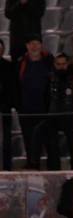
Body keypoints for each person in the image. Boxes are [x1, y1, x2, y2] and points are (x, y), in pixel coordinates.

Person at [16, 33, 52, 170]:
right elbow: (16, 85)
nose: (34, 46)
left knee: (47, 138)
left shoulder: (48, 61)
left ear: (41, 45)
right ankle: (32, 163)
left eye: (36, 43)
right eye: (31, 43)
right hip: (26, 107)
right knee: (28, 136)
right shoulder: (21, 63)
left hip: (44, 107)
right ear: (27, 46)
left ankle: (51, 165)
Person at [36, 53, 72, 171]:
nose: (61, 67)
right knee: (51, 144)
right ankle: (53, 170)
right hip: (53, 116)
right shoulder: (49, 78)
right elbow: (45, 97)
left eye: (63, 64)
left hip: (71, 116)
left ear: (68, 64)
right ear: (54, 64)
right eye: (58, 64)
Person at [0, 39, 14, 171]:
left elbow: (12, 88)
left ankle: (7, 166)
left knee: (6, 139)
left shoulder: (8, 66)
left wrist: (7, 104)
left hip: (4, 109)